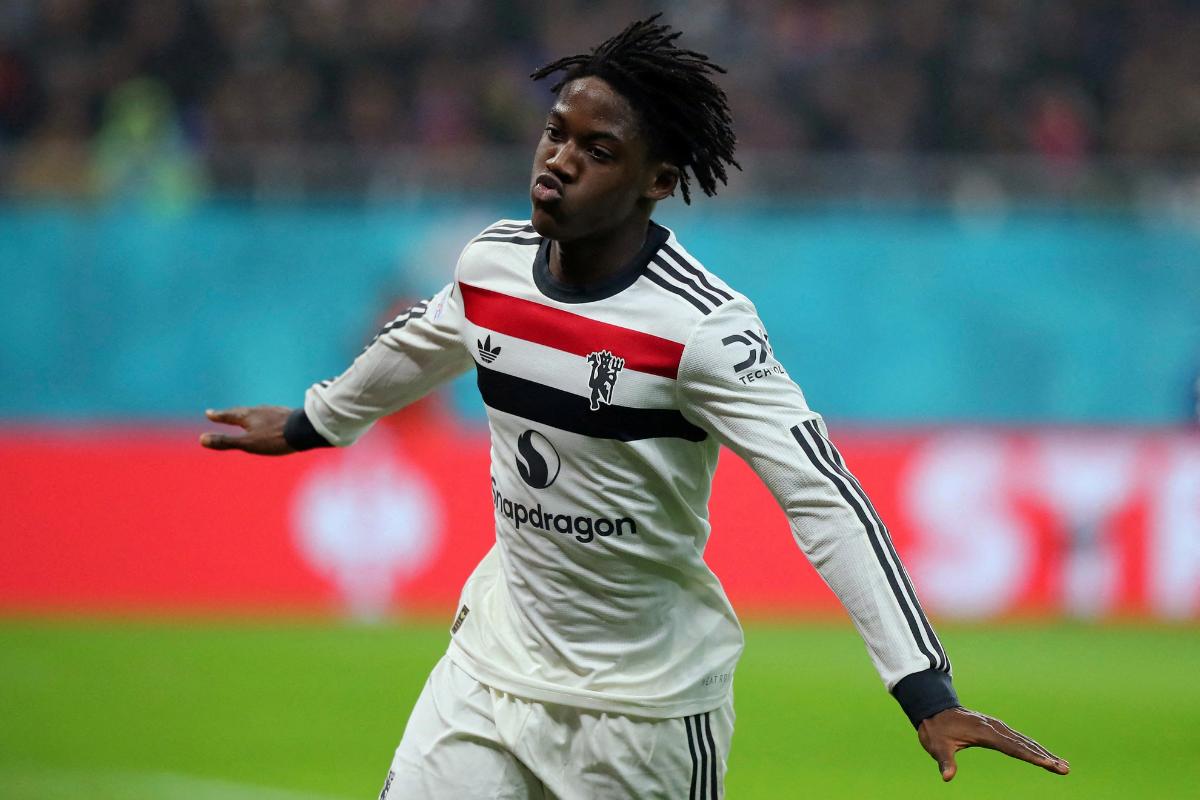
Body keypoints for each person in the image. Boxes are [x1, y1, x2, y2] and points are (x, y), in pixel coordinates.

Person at [200, 16, 1069, 799]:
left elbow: (823, 497)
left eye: (598, 150)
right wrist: (316, 422)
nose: (559, 160)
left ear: (658, 179)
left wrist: (925, 689)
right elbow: (417, 345)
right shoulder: (492, 268)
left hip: (645, 718)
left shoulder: (702, 330)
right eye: (555, 133)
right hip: (491, 671)